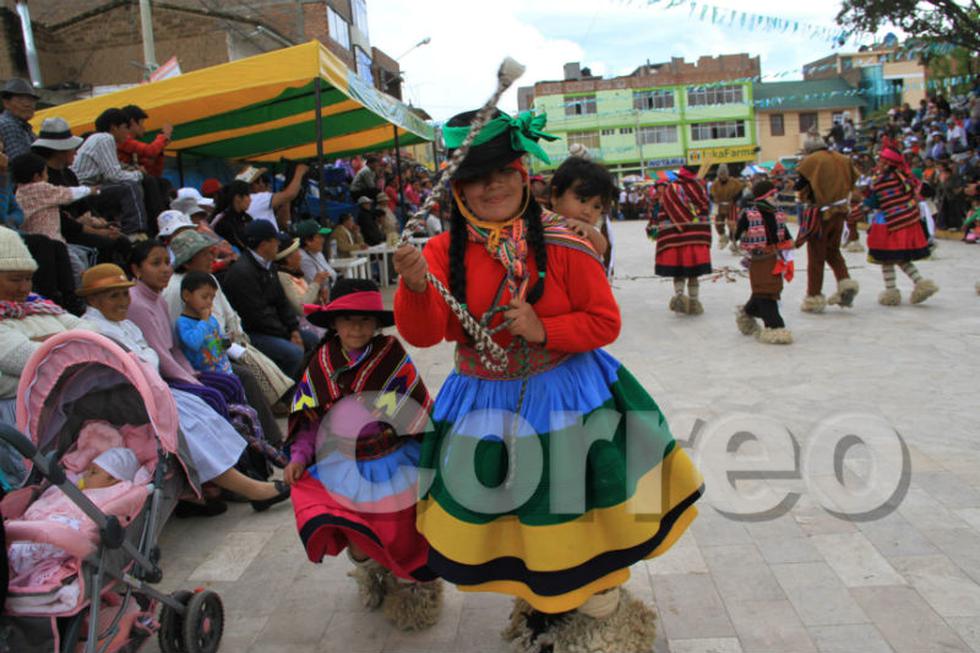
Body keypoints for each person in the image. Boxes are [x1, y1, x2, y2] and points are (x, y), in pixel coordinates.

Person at [393, 108, 702, 651]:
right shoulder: (441, 252)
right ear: (457, 188)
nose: (490, 187)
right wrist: (415, 288)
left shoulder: (564, 240)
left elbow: (605, 321)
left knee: (577, 509)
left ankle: (602, 617)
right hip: (482, 405)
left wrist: (543, 329)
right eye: (474, 177)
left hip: (565, 398)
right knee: (518, 513)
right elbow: (423, 335)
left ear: (523, 175)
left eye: (502, 173)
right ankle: (545, 601)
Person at [285, 278, 441, 630]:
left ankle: (416, 598)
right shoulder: (320, 365)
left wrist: (432, 449)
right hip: (342, 467)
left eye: (365, 320)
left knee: (401, 535)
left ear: (376, 324)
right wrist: (298, 456)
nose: (357, 328)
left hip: (393, 462)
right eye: (348, 320)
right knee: (359, 536)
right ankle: (372, 575)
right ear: (334, 324)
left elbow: (415, 410)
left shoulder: (391, 357)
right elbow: (309, 421)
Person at [77, 263, 291, 514]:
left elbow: (149, 356)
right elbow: (140, 362)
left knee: (206, 410)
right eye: (114, 295)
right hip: (126, 400)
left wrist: (149, 362)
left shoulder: (125, 324)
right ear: (93, 299)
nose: (124, 301)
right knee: (188, 423)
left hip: (150, 388)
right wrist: (149, 363)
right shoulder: (92, 330)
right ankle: (248, 488)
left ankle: (238, 477)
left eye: (125, 293)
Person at [163, 229, 293, 426]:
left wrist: (233, 337)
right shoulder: (181, 288)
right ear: (188, 261)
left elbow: (228, 315)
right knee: (247, 375)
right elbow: (189, 338)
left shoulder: (206, 279)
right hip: (201, 359)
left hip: (223, 345)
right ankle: (268, 434)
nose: (212, 256)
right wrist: (223, 343)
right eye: (205, 253)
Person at [221, 220, 316, 379]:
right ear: (264, 244)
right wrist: (287, 334)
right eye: (275, 240)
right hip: (252, 332)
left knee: (312, 340)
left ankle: (312, 384)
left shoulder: (269, 265)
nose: (278, 244)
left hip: (275, 327)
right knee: (292, 353)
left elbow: (281, 302)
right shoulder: (242, 273)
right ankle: (288, 395)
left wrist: (293, 329)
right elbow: (257, 316)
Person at [31, 118, 131, 266]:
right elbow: (60, 219)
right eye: (72, 148)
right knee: (107, 244)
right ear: (59, 151)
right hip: (62, 233)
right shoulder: (43, 179)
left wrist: (101, 223)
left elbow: (84, 205)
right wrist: (96, 230)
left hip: (80, 227)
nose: (76, 151)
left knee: (120, 239)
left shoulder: (68, 174)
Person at [795, 130, 860, 312]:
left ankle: (814, 295)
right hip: (840, 211)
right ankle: (845, 281)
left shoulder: (812, 161)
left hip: (821, 213)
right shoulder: (842, 158)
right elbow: (855, 179)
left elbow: (799, 184)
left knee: (816, 256)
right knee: (832, 251)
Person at [865, 148, 939, 306]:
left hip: (888, 223)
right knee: (900, 257)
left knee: (886, 258)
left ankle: (892, 292)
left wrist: (863, 204)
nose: (878, 163)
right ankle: (920, 283)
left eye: (881, 160)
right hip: (907, 220)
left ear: (887, 163)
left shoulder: (882, 180)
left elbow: (874, 202)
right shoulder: (903, 177)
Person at [733, 181, 795, 344]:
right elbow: (737, 234)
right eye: (772, 194)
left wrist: (790, 246)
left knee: (772, 288)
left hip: (775, 257)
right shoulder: (749, 214)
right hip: (759, 259)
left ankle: (749, 310)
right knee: (765, 289)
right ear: (764, 196)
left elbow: (786, 235)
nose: (775, 197)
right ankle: (774, 325)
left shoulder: (778, 213)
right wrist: (740, 235)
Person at [71, 108, 149, 236]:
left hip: (88, 188)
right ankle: (135, 231)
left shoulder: (97, 138)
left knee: (131, 184)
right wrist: (139, 174)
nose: (127, 133)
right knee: (129, 187)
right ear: (114, 127)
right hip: (83, 191)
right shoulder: (105, 138)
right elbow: (114, 175)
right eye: (125, 128)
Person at [655, 164, 712, 315]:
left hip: (675, 238)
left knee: (678, 272)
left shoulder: (670, 189)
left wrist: (664, 229)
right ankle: (694, 302)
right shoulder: (699, 188)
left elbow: (663, 211)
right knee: (694, 272)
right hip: (695, 237)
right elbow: (705, 209)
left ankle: (679, 298)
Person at [548, 155, 617, 277]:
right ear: (555, 196)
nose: (588, 211)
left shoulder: (587, 230)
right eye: (582, 200)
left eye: (597, 207)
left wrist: (589, 230)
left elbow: (602, 247)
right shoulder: (545, 223)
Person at [11, 152, 95, 244]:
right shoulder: (41, 188)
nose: (48, 176)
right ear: (37, 177)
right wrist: (89, 190)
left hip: (31, 240)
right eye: (46, 173)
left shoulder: (19, 191)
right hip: (50, 239)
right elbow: (67, 194)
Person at [175, 271, 235, 375]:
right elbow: (194, 343)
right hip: (205, 374)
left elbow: (218, 346)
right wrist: (203, 321)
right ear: (186, 295)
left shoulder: (211, 320)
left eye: (212, 298)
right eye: (204, 297)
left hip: (224, 369)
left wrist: (227, 341)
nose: (209, 302)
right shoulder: (183, 323)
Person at [276, 234, 327, 339]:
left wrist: (319, 298)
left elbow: (307, 299)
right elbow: (301, 308)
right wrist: (316, 283)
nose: (300, 255)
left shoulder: (294, 273)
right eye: (297, 252)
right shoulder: (283, 277)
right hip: (301, 325)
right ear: (288, 259)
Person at [236, 164, 309, 231]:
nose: (262, 184)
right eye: (258, 180)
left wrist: (285, 202)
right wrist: (299, 172)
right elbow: (291, 193)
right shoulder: (256, 199)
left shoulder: (244, 203)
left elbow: (284, 225)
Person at [117, 105, 172, 178]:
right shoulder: (123, 140)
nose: (144, 128)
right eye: (142, 123)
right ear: (132, 122)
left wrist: (160, 151)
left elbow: (154, 173)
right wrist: (163, 137)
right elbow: (150, 151)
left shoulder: (133, 149)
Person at [0, 78, 38, 160]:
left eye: (32, 100)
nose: (28, 104)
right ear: (6, 103)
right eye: (21, 99)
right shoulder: (8, 124)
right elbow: (21, 162)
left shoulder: (24, 126)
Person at [709, 163, 744, 251]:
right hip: (720, 205)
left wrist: (734, 200)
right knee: (718, 223)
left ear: (727, 174)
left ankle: (734, 243)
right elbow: (711, 194)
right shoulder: (715, 183)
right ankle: (723, 237)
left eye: (724, 174)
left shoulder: (734, 182)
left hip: (731, 204)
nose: (722, 176)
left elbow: (740, 191)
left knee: (732, 225)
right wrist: (714, 200)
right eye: (721, 174)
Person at [210, 180, 253, 252]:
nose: (250, 199)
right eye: (248, 196)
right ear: (238, 197)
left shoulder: (246, 217)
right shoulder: (222, 221)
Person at [293, 219, 337, 286]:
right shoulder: (303, 258)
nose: (323, 239)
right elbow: (318, 285)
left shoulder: (317, 252)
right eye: (319, 237)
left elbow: (332, 274)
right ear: (308, 241)